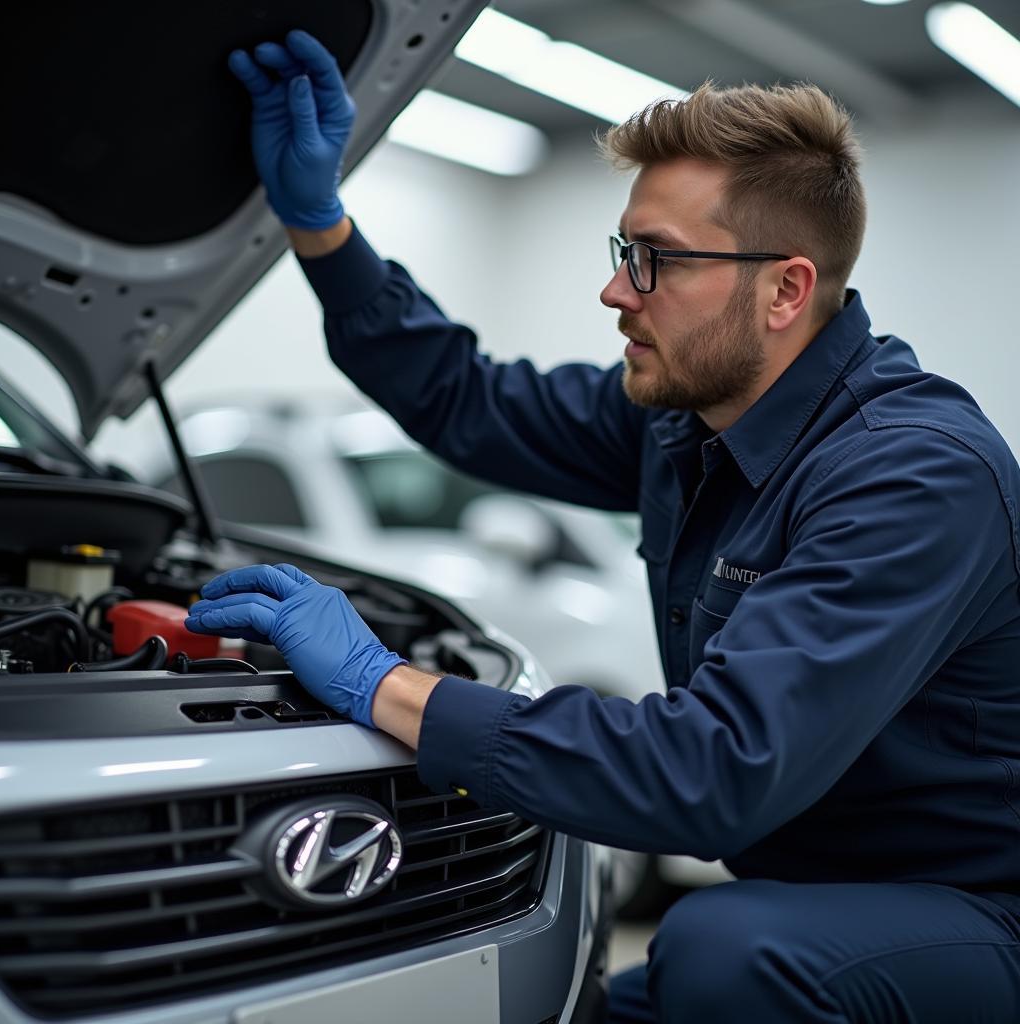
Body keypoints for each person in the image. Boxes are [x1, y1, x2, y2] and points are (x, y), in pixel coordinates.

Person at [186, 29, 1020, 1023]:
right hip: (817, 900)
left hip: (974, 912)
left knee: (724, 949)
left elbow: (710, 771)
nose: (616, 290)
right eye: (623, 251)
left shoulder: (913, 476)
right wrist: (321, 227)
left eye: (655, 261)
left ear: (785, 289)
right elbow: (464, 399)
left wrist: (386, 684)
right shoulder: (687, 420)